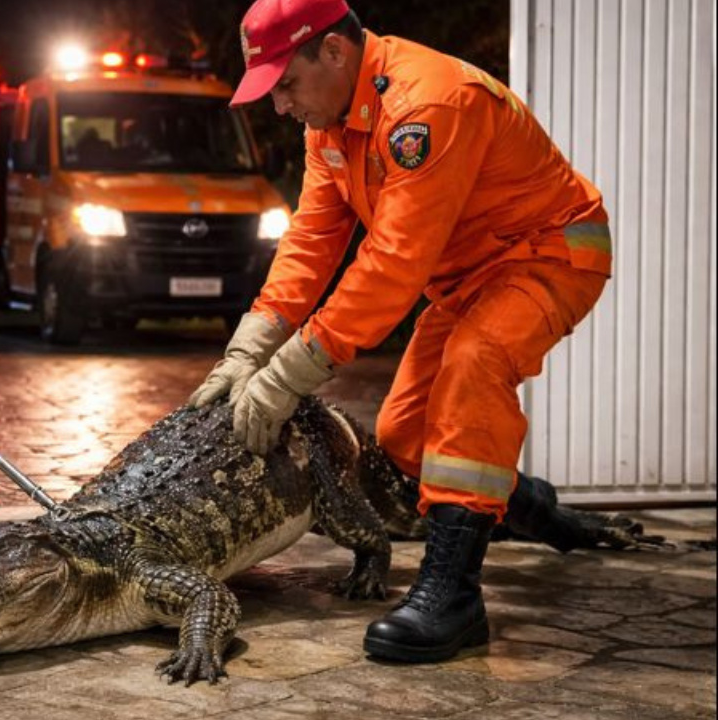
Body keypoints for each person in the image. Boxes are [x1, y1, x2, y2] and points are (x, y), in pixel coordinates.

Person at [192, 0, 611, 662]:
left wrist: (288, 376)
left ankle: (453, 599)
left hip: (547, 254)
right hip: (468, 278)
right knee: (403, 436)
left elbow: (392, 265)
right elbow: (312, 240)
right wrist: (250, 347)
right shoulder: (331, 124)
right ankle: (527, 506)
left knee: (473, 367)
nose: (280, 106)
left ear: (334, 52)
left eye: (286, 84)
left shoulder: (426, 105)